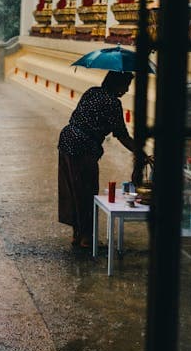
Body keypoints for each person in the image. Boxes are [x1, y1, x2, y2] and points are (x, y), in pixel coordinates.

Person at [57, 70, 142, 250]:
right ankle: (87, 238)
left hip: (66, 139)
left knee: (73, 189)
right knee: (87, 191)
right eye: (125, 86)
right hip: (83, 146)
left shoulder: (92, 92)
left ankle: (77, 234)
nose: (126, 90)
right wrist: (140, 152)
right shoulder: (112, 103)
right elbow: (122, 135)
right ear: (116, 84)